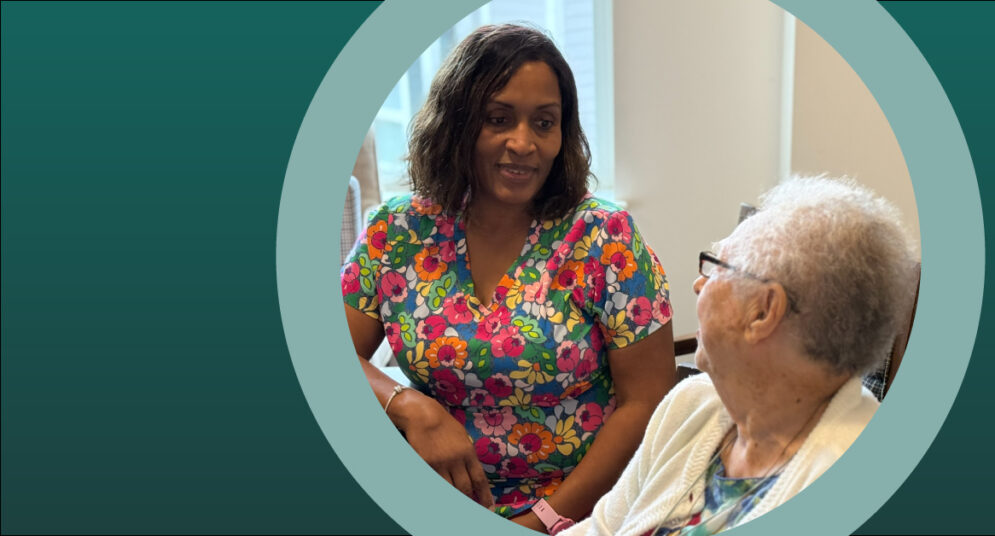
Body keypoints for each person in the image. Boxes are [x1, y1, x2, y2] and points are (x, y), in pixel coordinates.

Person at [341, 24, 677, 533]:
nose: (523, 143)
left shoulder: (603, 237)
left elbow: (647, 401)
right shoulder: (398, 230)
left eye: (544, 123)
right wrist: (411, 407)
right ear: (457, 124)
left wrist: (541, 521)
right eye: (498, 119)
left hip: (582, 510)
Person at [562, 177, 918, 536]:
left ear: (763, 312)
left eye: (717, 267)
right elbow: (603, 527)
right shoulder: (693, 402)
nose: (698, 284)